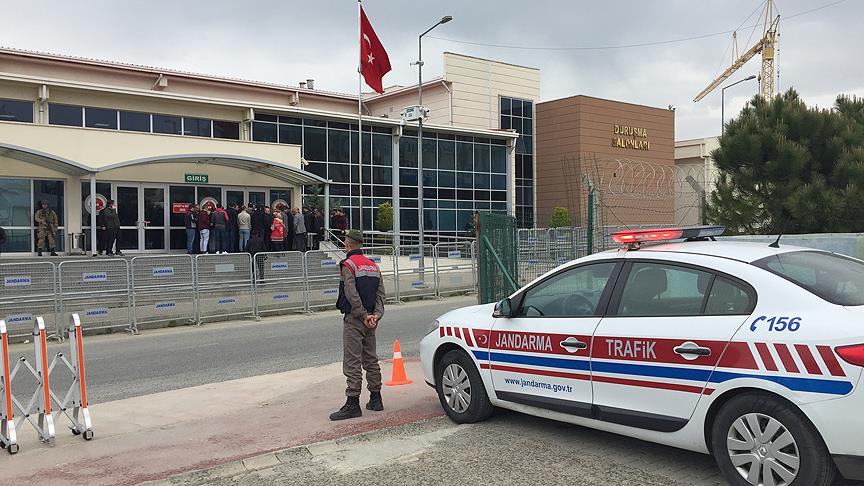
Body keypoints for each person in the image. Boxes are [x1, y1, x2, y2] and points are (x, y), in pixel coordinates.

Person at [330, 230, 386, 421]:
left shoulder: (348, 264)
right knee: (371, 359)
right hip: (371, 320)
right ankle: (376, 399)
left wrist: (362, 316)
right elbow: (381, 294)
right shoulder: (373, 265)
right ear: (361, 244)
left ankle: (352, 403)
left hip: (356, 319)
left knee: (352, 361)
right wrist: (375, 316)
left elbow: (351, 294)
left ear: (347, 244)